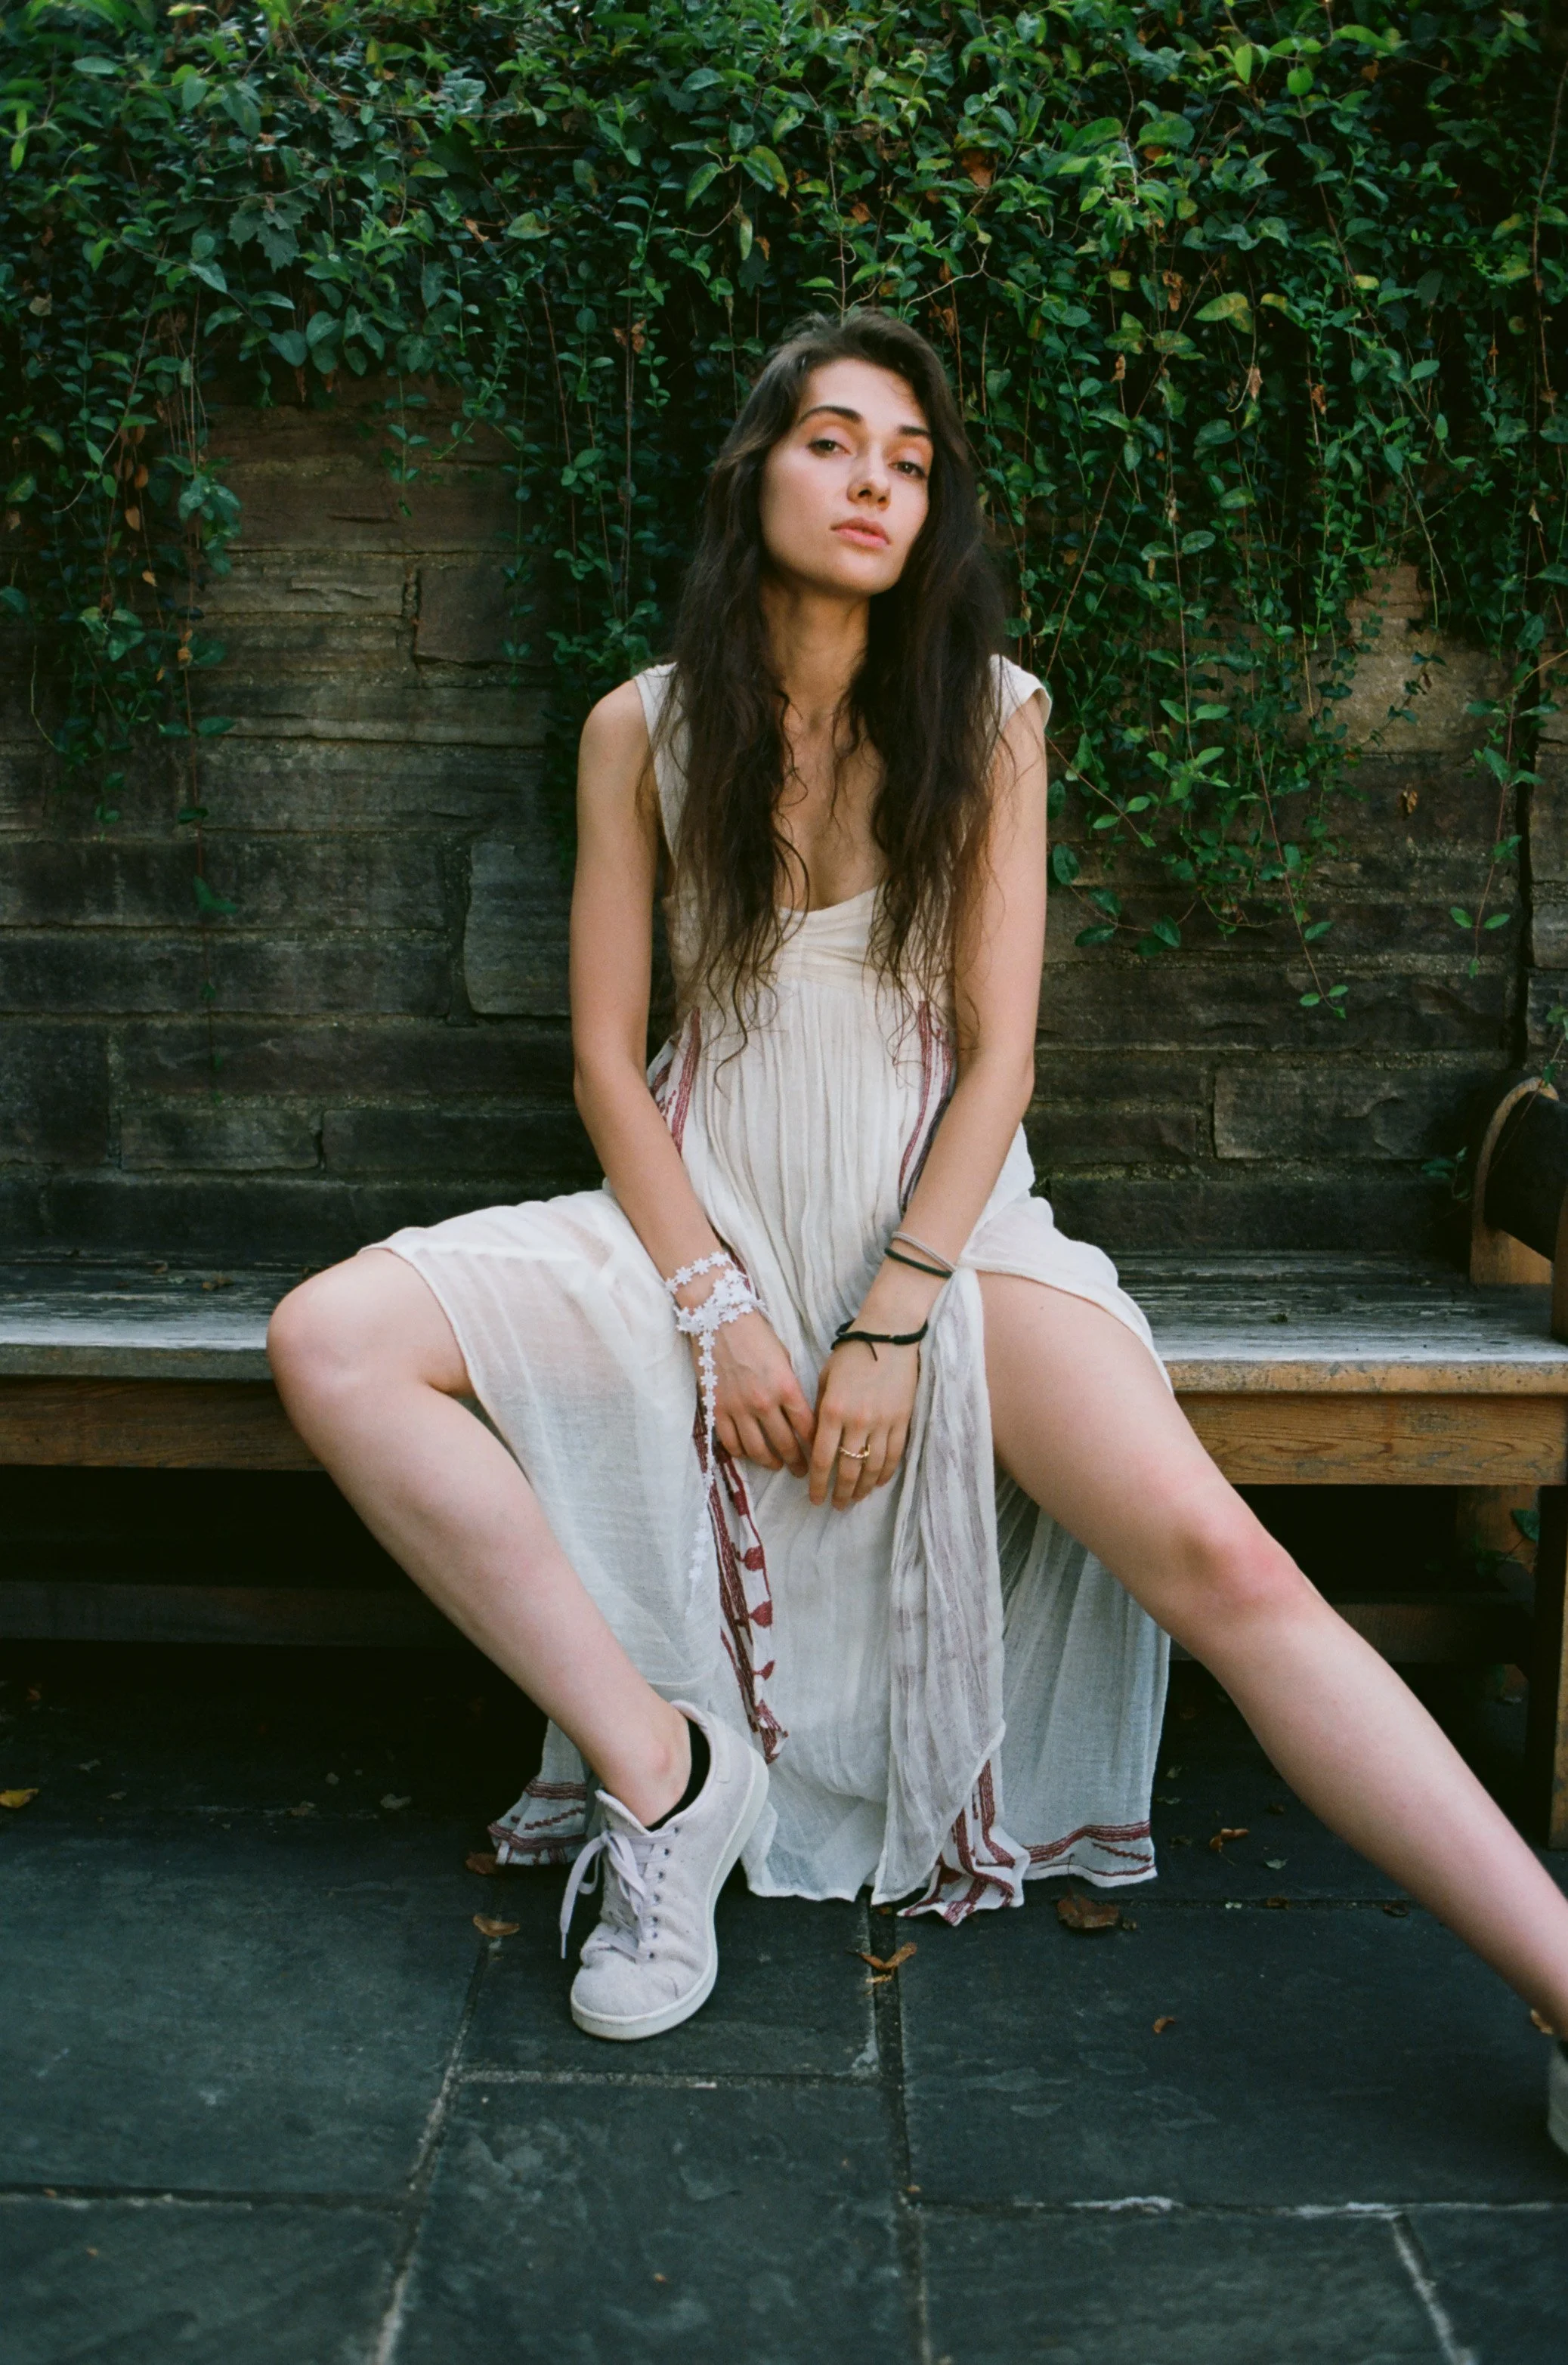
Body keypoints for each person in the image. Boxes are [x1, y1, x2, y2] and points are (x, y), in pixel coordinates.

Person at [268, 310, 1568, 2132]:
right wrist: (710, 1296)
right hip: (696, 1208)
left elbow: (996, 1059)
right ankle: (664, 1779)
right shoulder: (640, 726)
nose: (872, 481)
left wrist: (889, 1315)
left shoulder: (992, 716)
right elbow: (605, 1058)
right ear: (754, 471)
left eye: (907, 458)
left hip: (943, 1224)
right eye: (831, 440)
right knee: (329, 1337)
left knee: (1225, 1560)